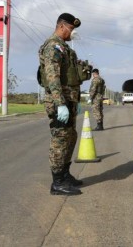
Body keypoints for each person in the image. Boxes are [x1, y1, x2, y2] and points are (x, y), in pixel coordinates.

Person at [38, 13, 84, 196]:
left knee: (70, 137)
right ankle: (57, 182)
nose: (71, 33)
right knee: (60, 140)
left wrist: (74, 101)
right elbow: (52, 77)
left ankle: (65, 175)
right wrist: (60, 103)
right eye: (70, 29)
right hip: (59, 101)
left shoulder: (65, 48)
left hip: (69, 100)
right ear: (61, 26)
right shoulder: (52, 46)